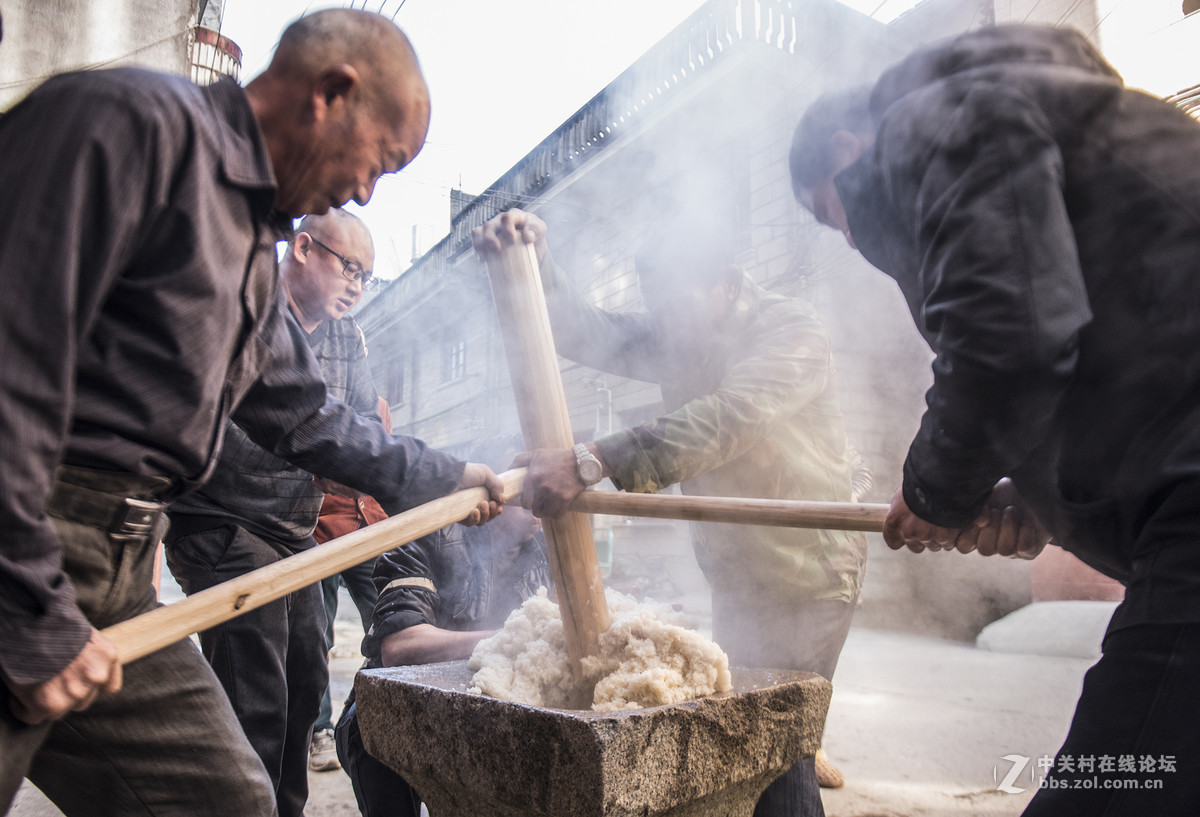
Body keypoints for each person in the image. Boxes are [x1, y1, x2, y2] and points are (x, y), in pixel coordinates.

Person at [0, 9, 504, 817]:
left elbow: (307, 420)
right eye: (379, 159)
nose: (366, 191)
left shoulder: (248, 258)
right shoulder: (132, 129)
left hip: (119, 574)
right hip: (22, 543)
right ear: (331, 94)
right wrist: (27, 605)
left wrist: (452, 477)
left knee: (233, 802)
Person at [788, 23, 1200, 816]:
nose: (849, 236)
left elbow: (1008, 339)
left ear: (846, 149)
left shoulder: (931, 118)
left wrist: (937, 491)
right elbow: (1108, 352)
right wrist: (1042, 494)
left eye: (830, 214)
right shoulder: (1046, 113)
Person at [473, 210, 868, 817]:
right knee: (744, 724)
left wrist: (588, 461)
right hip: (737, 567)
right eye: (655, 308)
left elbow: (727, 418)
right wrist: (538, 261)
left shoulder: (791, 329)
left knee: (774, 747)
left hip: (809, 569)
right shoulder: (675, 333)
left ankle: (800, 759)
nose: (665, 327)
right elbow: (587, 330)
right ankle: (801, 747)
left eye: (676, 307)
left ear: (727, 286)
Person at [164, 208, 393, 815]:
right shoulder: (244, 305)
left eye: (366, 276)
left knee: (305, 679)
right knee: (257, 685)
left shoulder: (348, 338)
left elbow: (363, 426)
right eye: (348, 267)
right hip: (220, 518)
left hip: (294, 528)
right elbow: (209, 419)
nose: (356, 285)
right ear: (301, 248)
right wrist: (313, 446)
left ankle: (282, 808)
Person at [335, 477, 551, 816]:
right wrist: (507, 637)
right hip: (396, 713)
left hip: (481, 714)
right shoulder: (429, 534)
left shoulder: (544, 553)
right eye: (521, 493)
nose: (536, 506)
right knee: (372, 737)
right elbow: (399, 645)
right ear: (491, 498)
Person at [308, 394, 394, 774]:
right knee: (316, 635)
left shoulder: (379, 404)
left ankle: (386, 717)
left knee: (390, 623)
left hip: (370, 529)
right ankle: (319, 729)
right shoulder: (311, 394)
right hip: (318, 534)